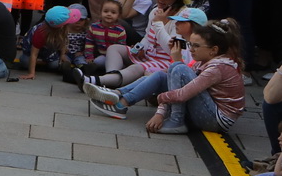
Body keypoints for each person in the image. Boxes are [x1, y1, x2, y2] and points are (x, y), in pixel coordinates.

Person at [88, 18, 246, 133]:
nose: (191, 49)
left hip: (217, 120)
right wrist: (160, 111)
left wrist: (160, 104)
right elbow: (172, 80)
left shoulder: (218, 67)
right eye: (190, 44)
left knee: (179, 69)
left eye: (196, 46)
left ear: (214, 50)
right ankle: (119, 99)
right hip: (206, 108)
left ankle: (176, 121)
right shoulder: (204, 61)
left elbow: (183, 93)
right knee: (163, 74)